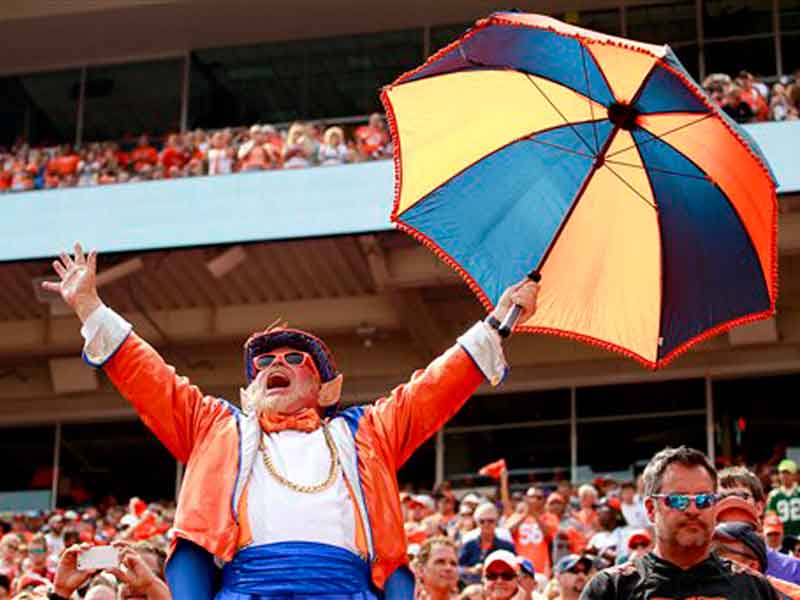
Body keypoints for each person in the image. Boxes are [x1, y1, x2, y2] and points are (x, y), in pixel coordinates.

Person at [44, 242, 539, 599]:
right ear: (249, 389)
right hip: (247, 589)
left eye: (294, 359)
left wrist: (498, 323)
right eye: (264, 362)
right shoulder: (217, 427)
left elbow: (434, 389)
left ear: (327, 390)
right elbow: (151, 378)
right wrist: (89, 306)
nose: (275, 364)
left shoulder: (366, 433)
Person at [580, 446, 780, 599]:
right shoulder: (612, 588)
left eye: (703, 500)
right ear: (650, 509)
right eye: (677, 500)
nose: (692, 510)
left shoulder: (751, 588)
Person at [719, 465, 800, 584]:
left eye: (741, 496)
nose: (731, 503)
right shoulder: (699, 570)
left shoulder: (794, 569)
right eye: (722, 497)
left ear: (759, 507)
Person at [460, 504, 517, 585]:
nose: (486, 524)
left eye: (490, 521)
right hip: (472, 585)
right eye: (482, 521)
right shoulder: (469, 545)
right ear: (477, 523)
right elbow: (458, 567)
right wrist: (472, 570)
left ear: (496, 522)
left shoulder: (506, 546)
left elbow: (515, 568)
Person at [506, 486, 552, 578]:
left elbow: (549, 535)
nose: (535, 500)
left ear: (544, 500)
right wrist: (525, 515)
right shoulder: (516, 516)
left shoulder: (549, 517)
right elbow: (508, 532)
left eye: (539, 498)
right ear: (526, 499)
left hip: (542, 568)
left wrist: (535, 515)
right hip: (520, 567)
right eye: (532, 497)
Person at [768, 460, 800, 537]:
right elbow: (770, 517)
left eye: (788, 473)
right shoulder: (774, 495)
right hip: (782, 536)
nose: (785, 476)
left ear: (795, 475)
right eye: (782, 473)